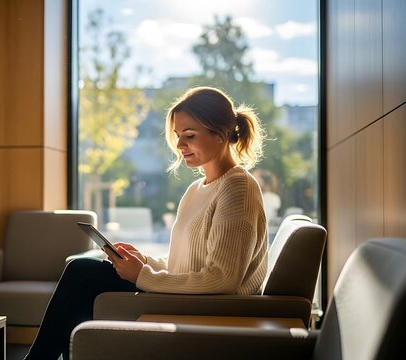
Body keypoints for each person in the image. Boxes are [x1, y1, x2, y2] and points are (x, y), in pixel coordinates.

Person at [23, 86, 268, 360]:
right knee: (85, 272)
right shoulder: (197, 189)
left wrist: (142, 275)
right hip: (191, 295)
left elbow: (223, 279)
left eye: (189, 135)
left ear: (221, 134)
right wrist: (145, 262)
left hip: (208, 303)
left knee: (81, 272)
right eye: (177, 136)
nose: (179, 145)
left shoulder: (238, 187)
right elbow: (184, 266)